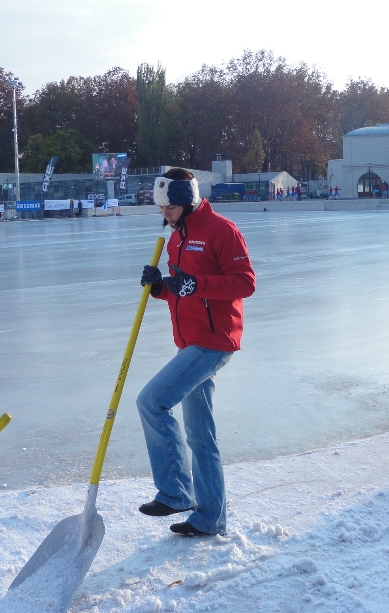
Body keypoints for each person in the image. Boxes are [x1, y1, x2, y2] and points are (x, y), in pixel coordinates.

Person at [137, 168, 256, 537]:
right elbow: (180, 291)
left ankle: (175, 492)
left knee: (152, 401)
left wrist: (196, 283)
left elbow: (245, 283)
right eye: (161, 208)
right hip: (189, 341)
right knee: (200, 434)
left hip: (214, 340)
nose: (165, 214)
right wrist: (161, 288)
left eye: (170, 207)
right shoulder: (175, 240)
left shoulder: (222, 230)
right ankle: (210, 519)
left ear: (187, 201)